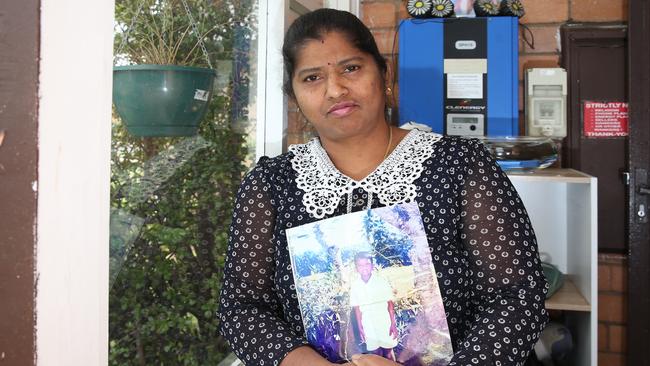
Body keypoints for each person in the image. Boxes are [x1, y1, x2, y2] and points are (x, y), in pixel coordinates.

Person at [217, 8, 548, 366]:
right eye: (312, 77)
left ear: (383, 75)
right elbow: (241, 306)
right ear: (295, 97)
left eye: (351, 68)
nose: (335, 89)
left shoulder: (460, 165)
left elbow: (517, 297)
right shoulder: (271, 184)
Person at [349, 252, 399, 361]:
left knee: (388, 351)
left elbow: (390, 304)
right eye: (360, 265)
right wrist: (360, 326)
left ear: (372, 265)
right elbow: (357, 308)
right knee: (375, 353)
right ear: (356, 268)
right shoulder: (355, 286)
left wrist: (393, 324)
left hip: (384, 321)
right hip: (368, 323)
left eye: (367, 264)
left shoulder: (381, 282)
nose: (364, 268)